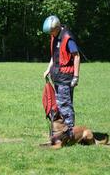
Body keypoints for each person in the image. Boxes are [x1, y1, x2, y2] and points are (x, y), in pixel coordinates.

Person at [42, 15, 80, 143]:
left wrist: (76, 76)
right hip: (57, 76)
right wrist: (48, 69)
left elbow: (76, 56)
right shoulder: (55, 36)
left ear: (57, 27)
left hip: (66, 78)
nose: (50, 34)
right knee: (59, 106)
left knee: (65, 106)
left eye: (51, 31)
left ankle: (70, 134)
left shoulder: (67, 38)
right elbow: (54, 56)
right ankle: (62, 133)